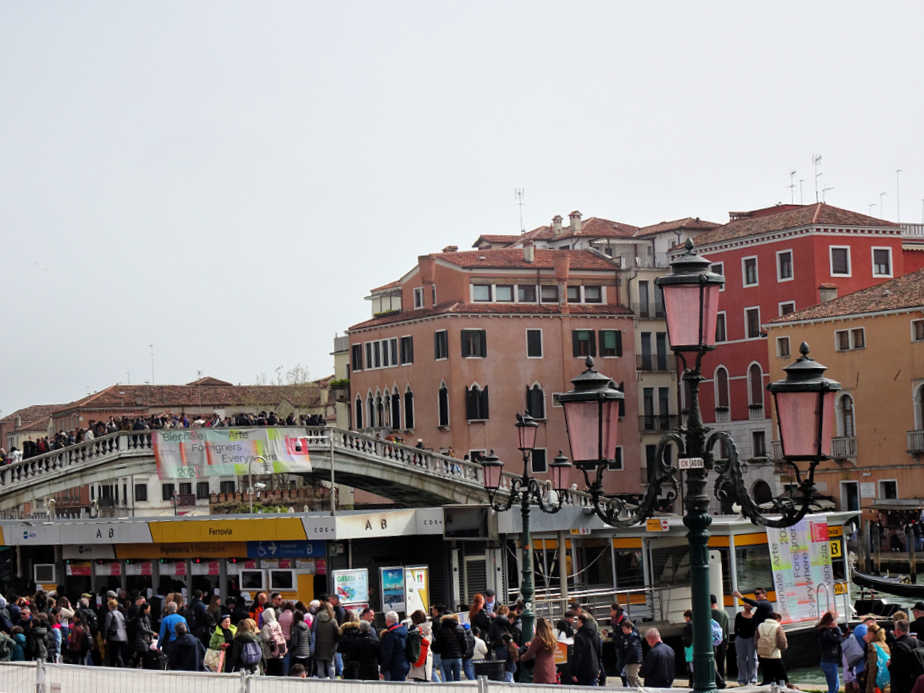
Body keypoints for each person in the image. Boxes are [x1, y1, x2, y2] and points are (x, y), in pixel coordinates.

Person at [521, 616, 558, 684]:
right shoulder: (552, 638)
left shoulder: (538, 639)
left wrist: (522, 657)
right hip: (551, 668)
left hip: (541, 669)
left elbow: (530, 654)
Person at [889, 620, 922, 693]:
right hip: (916, 682)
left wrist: (889, 665)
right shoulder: (918, 642)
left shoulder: (898, 646)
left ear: (897, 630)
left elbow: (896, 668)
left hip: (902, 684)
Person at [756, 611, 788, 686]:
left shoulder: (760, 626)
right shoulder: (777, 627)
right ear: (777, 619)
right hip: (774, 654)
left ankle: (766, 685)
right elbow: (782, 641)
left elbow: (756, 639)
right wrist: (783, 648)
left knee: (767, 675)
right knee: (781, 676)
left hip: (763, 653)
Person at [434, 611, 467, 681]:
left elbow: (438, 644)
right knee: (457, 678)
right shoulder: (460, 628)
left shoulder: (441, 630)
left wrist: (438, 651)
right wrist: (463, 653)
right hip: (457, 656)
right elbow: (464, 643)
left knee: (448, 679)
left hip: (446, 657)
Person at [571, 612, 602, 686]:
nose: (577, 623)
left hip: (582, 671)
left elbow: (577, 655)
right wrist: (598, 668)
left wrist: (574, 672)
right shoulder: (596, 635)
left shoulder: (579, 636)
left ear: (581, 622)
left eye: (578, 621)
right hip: (594, 669)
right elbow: (599, 653)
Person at [817, 610, 844, 693]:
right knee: (834, 687)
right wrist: (837, 629)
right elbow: (838, 639)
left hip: (828, 661)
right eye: (835, 620)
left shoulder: (824, 631)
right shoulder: (826, 632)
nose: (836, 622)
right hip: (829, 661)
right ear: (831, 621)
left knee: (834, 685)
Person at [380, 610, 410, 681]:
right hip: (405, 664)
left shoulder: (390, 635)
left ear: (387, 621)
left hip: (394, 667)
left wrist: (382, 669)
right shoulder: (405, 631)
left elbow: (388, 654)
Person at [313, 602, 340, 679]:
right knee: (331, 665)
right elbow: (338, 633)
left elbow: (313, 631)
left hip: (319, 646)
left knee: (320, 665)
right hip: (330, 646)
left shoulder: (317, 618)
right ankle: (332, 681)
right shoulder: (333, 620)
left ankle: (321, 681)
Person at [735, 601, 758, 685]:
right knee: (741, 659)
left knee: (753, 659)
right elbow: (736, 627)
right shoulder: (739, 615)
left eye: (748, 603)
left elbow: (756, 628)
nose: (746, 604)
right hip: (740, 639)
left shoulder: (754, 617)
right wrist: (737, 637)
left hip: (751, 639)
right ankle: (742, 679)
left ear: (751, 606)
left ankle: (753, 679)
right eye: (745, 603)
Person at [407, 610, 433, 683]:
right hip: (425, 658)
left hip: (419, 659)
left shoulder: (417, 631)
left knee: (421, 683)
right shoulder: (427, 628)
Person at [864, 623, 890, 693]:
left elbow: (873, 667)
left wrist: (873, 685)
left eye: (868, 633)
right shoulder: (885, 644)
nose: (867, 635)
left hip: (876, 681)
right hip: (885, 679)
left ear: (872, 634)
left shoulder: (872, 646)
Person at [260, 608, 287, 675]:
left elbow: (265, 639)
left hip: (269, 655)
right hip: (280, 654)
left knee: (271, 675)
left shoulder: (266, 627)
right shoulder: (277, 624)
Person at [843, 623, 868, 693]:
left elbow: (847, 665)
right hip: (858, 675)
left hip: (852, 676)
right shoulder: (859, 645)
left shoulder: (847, 644)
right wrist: (854, 680)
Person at [103, 598, 127, 667]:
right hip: (123, 637)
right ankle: (114, 667)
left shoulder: (109, 614)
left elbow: (107, 626)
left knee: (115, 654)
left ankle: (122, 668)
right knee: (117, 654)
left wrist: (105, 637)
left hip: (114, 637)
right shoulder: (120, 614)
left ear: (110, 606)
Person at [619, 620, 643, 687]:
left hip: (634, 660)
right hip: (628, 660)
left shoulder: (634, 637)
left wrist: (625, 661)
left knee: (633, 676)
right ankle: (634, 689)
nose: (623, 630)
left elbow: (633, 650)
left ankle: (642, 689)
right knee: (629, 677)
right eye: (622, 629)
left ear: (629, 628)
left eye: (624, 629)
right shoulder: (625, 637)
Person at [711, 594, 729, 679]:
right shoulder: (724, 613)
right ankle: (722, 680)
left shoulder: (709, 613)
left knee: (710, 661)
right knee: (721, 662)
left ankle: (715, 680)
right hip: (723, 639)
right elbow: (727, 629)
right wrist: (727, 642)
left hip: (712, 640)